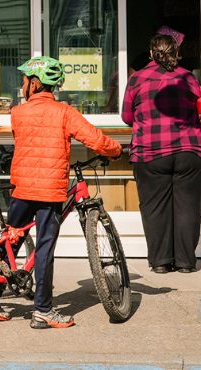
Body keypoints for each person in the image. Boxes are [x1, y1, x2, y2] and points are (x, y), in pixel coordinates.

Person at [7, 55, 122, 329]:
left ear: (34, 85)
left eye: (24, 81)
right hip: (49, 192)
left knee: (11, 241)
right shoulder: (64, 113)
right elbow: (94, 138)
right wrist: (116, 150)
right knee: (45, 247)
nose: (22, 85)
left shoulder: (17, 112)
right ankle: (43, 310)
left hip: (21, 187)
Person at [121, 32, 201, 275]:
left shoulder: (137, 79)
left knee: (154, 207)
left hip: (150, 151)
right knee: (188, 206)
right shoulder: (187, 78)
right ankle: (185, 262)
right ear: (176, 54)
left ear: (151, 53)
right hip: (190, 150)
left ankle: (160, 262)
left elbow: (127, 117)